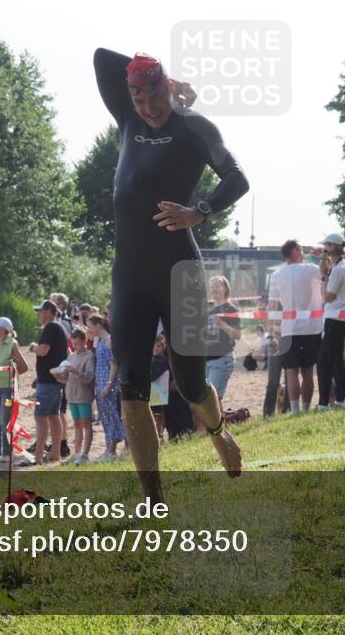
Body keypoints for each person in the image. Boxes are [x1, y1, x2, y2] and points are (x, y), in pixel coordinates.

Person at [94, 48, 249, 501]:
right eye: (139, 101)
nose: (148, 109)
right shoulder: (128, 120)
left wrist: (200, 211)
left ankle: (218, 431)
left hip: (180, 273)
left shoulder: (193, 127)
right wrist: (168, 77)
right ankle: (153, 499)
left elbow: (236, 177)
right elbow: (102, 59)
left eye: (155, 97)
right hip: (129, 275)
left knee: (190, 383)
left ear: (166, 89)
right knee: (131, 386)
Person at [268, 240, 324, 413]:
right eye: (301, 249)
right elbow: (328, 269)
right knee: (308, 371)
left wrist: (270, 332)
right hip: (312, 327)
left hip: (289, 328)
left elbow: (272, 306)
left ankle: (294, 410)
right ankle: (305, 408)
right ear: (295, 252)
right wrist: (321, 253)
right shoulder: (312, 269)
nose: (304, 252)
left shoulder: (277, 275)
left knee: (291, 371)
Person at [28, 300, 68, 466]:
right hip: (54, 379)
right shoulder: (60, 328)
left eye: (41, 311)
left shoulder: (51, 327)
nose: (39, 314)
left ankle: (38, 457)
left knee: (40, 417)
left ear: (50, 312)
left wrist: (33, 347)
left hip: (48, 381)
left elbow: (43, 351)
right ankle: (55, 453)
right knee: (53, 416)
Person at [318, 234, 345, 408]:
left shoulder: (339, 269)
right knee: (333, 359)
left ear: (332, 247)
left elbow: (328, 297)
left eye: (326, 246)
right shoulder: (341, 267)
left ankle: (335, 399)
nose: (324, 250)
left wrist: (323, 276)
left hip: (336, 318)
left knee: (328, 361)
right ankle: (336, 399)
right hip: (339, 318)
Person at [0, 316, 27, 464]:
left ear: (3, 330)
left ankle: (7, 453)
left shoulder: (12, 344)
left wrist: (12, 375)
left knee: (5, 421)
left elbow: (24, 367)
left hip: (7, 389)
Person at [53, 328, 95, 465]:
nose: (75, 346)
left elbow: (89, 377)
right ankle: (76, 454)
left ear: (84, 341)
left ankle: (85, 455)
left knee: (86, 423)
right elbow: (67, 378)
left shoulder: (89, 356)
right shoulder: (71, 357)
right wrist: (59, 377)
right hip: (71, 395)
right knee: (77, 424)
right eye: (73, 343)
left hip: (83, 395)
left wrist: (76, 372)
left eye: (77, 343)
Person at [87, 314, 124, 462]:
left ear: (98, 325)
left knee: (111, 416)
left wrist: (109, 385)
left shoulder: (108, 340)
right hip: (101, 383)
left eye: (90, 326)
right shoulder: (101, 341)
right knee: (105, 417)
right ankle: (108, 448)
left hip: (107, 384)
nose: (89, 330)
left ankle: (112, 450)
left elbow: (113, 364)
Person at [206, 275, 242, 402]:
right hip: (206, 360)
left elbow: (237, 335)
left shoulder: (231, 309)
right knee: (208, 401)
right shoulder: (209, 310)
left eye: (217, 286)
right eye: (211, 287)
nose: (214, 289)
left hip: (222, 359)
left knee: (212, 400)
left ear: (225, 288)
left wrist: (223, 325)